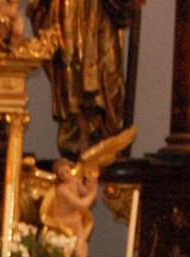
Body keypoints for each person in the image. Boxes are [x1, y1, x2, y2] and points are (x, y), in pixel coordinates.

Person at [27, 0, 137, 159]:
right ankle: (78, 143)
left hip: (103, 10)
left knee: (110, 77)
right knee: (73, 77)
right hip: (70, 9)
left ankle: (104, 138)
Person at [41, 158, 98, 257]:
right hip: (62, 227)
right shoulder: (62, 189)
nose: (66, 176)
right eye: (62, 174)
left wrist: (91, 186)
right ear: (59, 177)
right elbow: (81, 203)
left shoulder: (75, 181)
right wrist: (92, 193)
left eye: (67, 171)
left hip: (77, 225)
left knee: (79, 255)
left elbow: (87, 195)